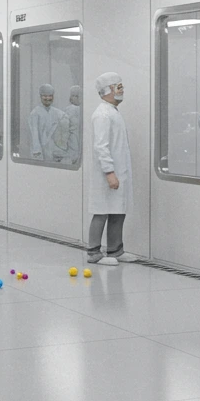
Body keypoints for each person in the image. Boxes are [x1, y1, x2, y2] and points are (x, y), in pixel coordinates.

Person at [87, 73, 130, 266]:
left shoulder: (112, 112)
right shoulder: (102, 115)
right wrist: (109, 172)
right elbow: (101, 146)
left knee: (118, 211)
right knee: (101, 211)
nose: (122, 89)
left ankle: (115, 250)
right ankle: (94, 253)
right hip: (107, 174)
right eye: (118, 86)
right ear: (108, 90)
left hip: (118, 172)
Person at [28, 84, 66, 161]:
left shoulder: (57, 112)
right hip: (40, 152)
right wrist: (37, 151)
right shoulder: (35, 113)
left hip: (53, 151)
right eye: (45, 96)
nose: (48, 98)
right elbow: (34, 134)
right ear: (40, 96)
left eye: (50, 96)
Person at [61, 84, 83, 165]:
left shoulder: (81, 109)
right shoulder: (69, 109)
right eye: (72, 96)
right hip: (71, 138)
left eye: (76, 96)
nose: (73, 98)